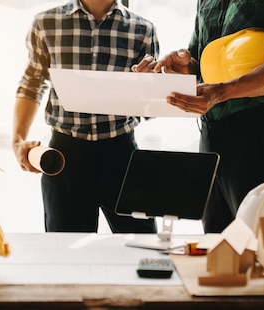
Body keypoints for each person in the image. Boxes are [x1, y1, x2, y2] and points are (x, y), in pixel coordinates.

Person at [132, 0, 264, 233]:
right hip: (212, 138)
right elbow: (201, 63)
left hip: (258, 136)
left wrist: (221, 91)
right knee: (217, 249)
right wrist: (185, 67)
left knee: (261, 250)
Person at [12, 0, 158, 233]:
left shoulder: (143, 29)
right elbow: (32, 85)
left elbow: (150, 107)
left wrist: (154, 88)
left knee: (143, 249)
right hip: (64, 158)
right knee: (66, 254)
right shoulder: (46, 22)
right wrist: (17, 139)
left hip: (123, 157)